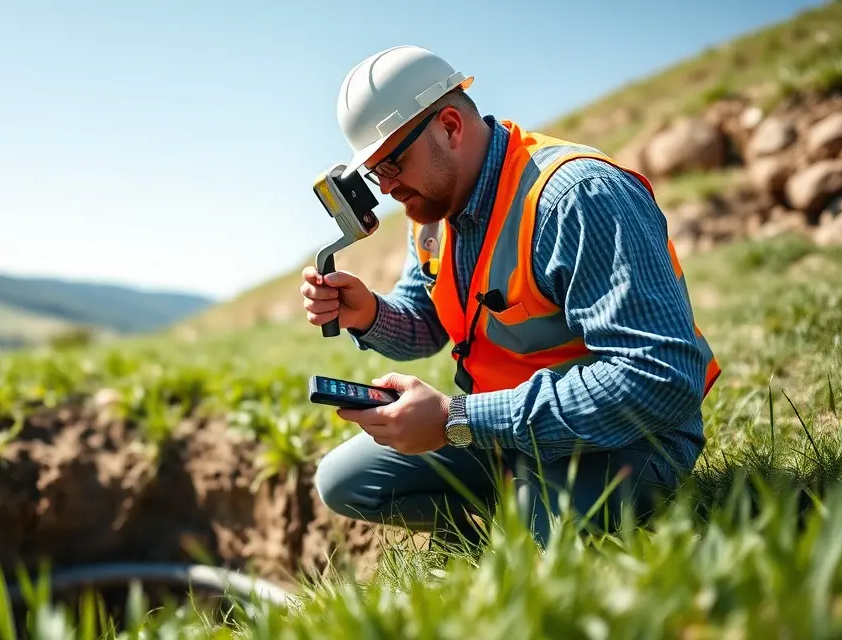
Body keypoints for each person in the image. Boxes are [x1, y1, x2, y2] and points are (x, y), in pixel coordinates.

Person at [300, 45, 721, 546]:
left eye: (393, 163)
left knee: (529, 551)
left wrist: (457, 420)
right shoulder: (433, 212)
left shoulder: (578, 198)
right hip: (501, 429)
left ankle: (533, 510)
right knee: (346, 482)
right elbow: (428, 323)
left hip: (624, 437)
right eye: (375, 172)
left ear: (450, 126)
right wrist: (367, 315)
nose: (387, 188)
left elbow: (660, 377)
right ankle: (517, 503)